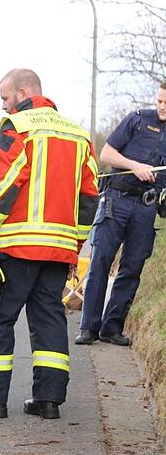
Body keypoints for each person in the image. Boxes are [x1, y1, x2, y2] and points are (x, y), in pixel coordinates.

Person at [0, 69, 98, 420]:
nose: (3, 105)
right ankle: (48, 402)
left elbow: (7, 183)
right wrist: (74, 245)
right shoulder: (78, 135)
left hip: (16, 247)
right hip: (58, 250)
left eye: (5, 97)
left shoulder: (16, 127)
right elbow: (89, 197)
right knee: (49, 319)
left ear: (23, 93)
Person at [76, 83, 166, 347]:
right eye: (160, 101)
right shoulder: (137, 119)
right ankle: (88, 328)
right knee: (101, 260)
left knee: (133, 267)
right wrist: (134, 166)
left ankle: (112, 328)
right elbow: (107, 154)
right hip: (117, 200)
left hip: (147, 207)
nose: (162, 107)